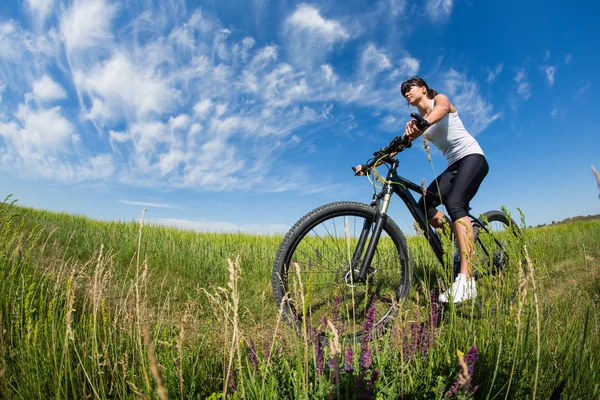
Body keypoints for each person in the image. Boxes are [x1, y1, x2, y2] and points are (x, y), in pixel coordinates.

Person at [357, 76, 489, 303]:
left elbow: (443, 109)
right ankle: (460, 241)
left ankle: (466, 282)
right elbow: (396, 147)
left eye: (409, 88)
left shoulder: (440, 100)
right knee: (424, 207)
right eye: (403, 92)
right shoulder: (417, 122)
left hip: (472, 158)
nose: (406, 93)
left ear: (423, 89)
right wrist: (370, 164)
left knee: (454, 203)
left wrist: (424, 123)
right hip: (453, 166)